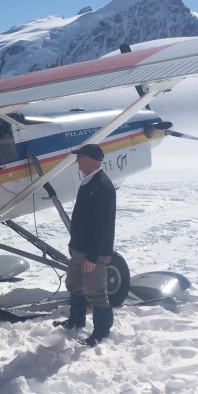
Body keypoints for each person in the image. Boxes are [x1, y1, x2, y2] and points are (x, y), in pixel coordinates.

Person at [60, 143, 117, 346]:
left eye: (79, 157)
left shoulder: (102, 186)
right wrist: (74, 243)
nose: (77, 161)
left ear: (88, 158)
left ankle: (101, 333)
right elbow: (81, 219)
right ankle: (76, 321)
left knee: (96, 293)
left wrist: (92, 257)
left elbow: (103, 226)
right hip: (80, 249)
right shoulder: (89, 182)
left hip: (94, 253)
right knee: (74, 285)